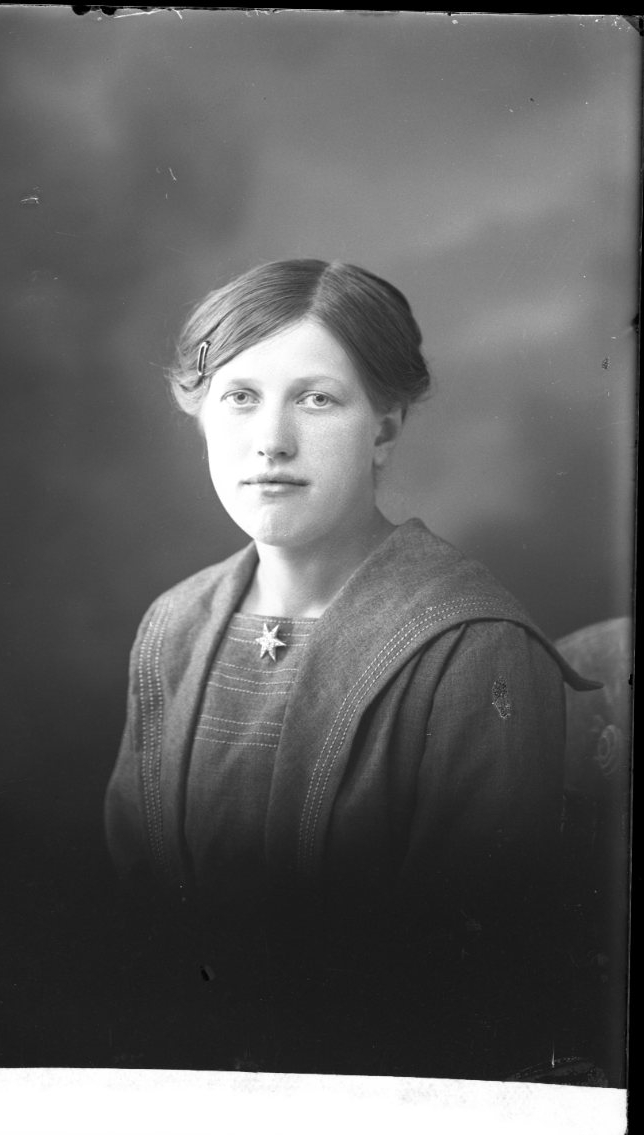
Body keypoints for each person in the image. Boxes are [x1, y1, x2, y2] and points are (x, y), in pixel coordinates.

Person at [104, 259, 596, 1079]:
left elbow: (474, 978)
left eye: (316, 399)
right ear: (201, 416)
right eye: (239, 396)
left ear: (385, 427)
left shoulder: (471, 648)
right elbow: (130, 920)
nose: (270, 440)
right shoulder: (173, 629)